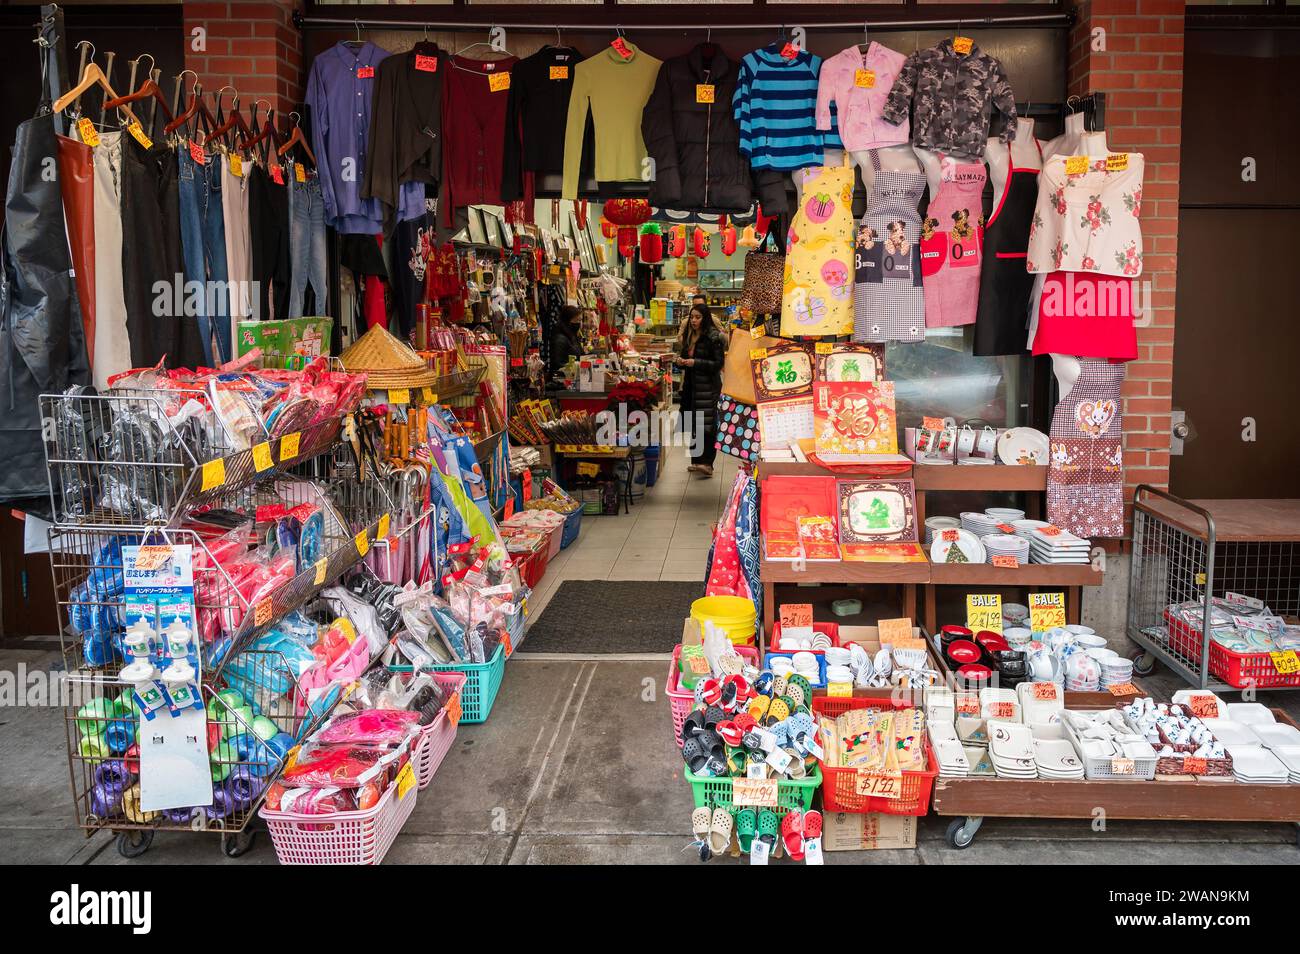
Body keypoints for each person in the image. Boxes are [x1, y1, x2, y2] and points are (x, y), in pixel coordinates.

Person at [674, 303, 726, 477]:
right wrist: (679, 361)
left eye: (698, 317)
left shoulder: (713, 337)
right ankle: (696, 461)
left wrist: (695, 363)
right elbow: (684, 355)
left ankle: (708, 464)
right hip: (691, 387)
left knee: (707, 426)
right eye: (692, 317)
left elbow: (718, 364)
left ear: (705, 318)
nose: (694, 321)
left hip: (708, 388)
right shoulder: (690, 336)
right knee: (693, 423)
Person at [549, 304, 584, 378]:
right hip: (563, 382)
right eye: (577, 320)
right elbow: (558, 365)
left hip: (573, 378)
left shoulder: (572, 336)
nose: (580, 324)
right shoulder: (559, 339)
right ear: (568, 321)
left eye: (580, 320)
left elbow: (580, 355)